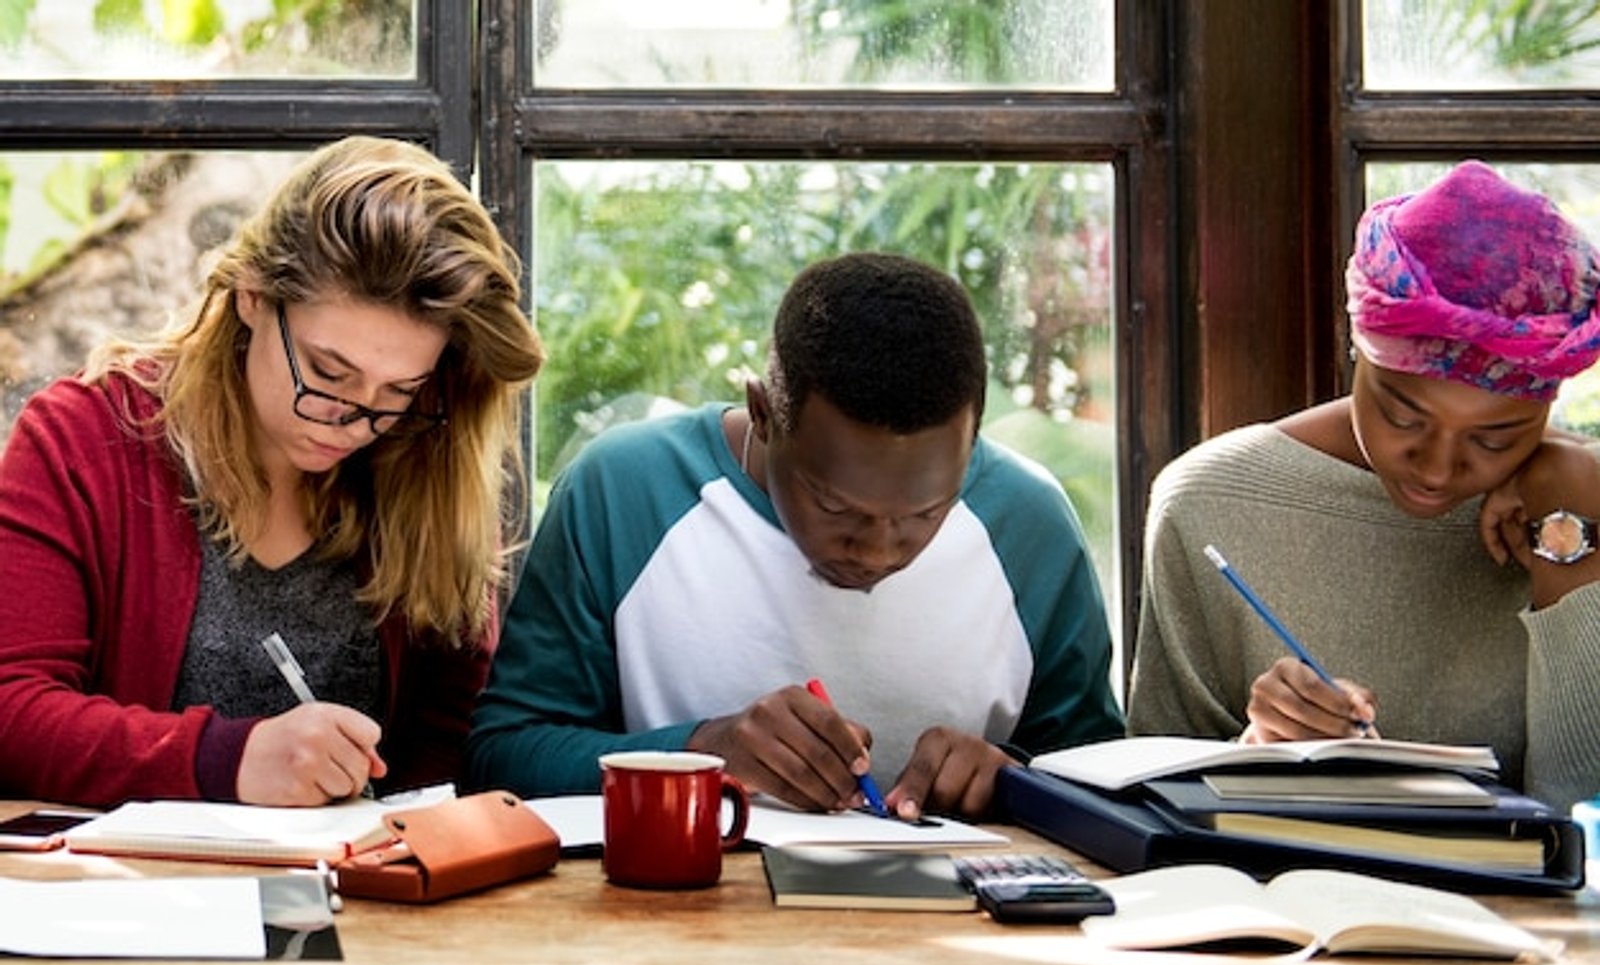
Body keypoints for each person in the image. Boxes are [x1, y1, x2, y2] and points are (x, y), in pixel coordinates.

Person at [466, 251, 1124, 820]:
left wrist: (1010, 777)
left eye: (926, 514)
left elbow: (1103, 779)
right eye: (836, 507)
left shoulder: (1029, 523)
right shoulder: (626, 491)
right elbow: (502, 755)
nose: (877, 551)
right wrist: (703, 750)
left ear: (973, 440)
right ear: (763, 413)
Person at [0, 136, 546, 808]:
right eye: (327, 371)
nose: (350, 419)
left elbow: (451, 738)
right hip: (127, 897)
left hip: (374, 895)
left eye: (397, 389)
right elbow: (11, 710)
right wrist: (224, 759)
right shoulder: (85, 440)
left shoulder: (425, 451)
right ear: (251, 296)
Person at [1127, 160, 1600, 809]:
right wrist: (1260, 747)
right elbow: (1146, 801)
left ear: (1546, 410)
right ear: (1360, 349)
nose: (1436, 469)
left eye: (1494, 440)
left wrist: (1572, 534)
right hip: (1287, 904)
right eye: (1403, 416)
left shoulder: (1577, 502)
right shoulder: (1212, 502)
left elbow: (1585, 808)